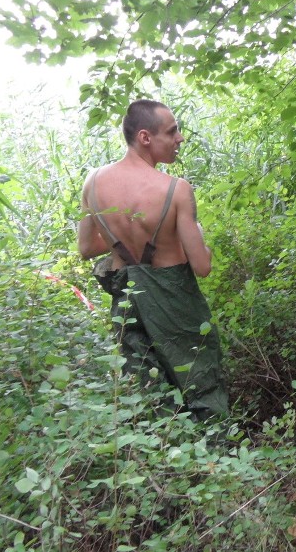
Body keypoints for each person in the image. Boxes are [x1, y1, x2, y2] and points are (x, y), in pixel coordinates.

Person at [78, 99, 228, 418]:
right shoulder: (176, 189)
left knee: (148, 390)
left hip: (128, 302)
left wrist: (124, 233)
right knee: (200, 382)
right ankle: (217, 457)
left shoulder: (92, 182)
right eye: (172, 131)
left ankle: (166, 461)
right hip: (176, 300)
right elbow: (202, 267)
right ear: (146, 137)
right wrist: (197, 237)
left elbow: (87, 248)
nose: (180, 138)